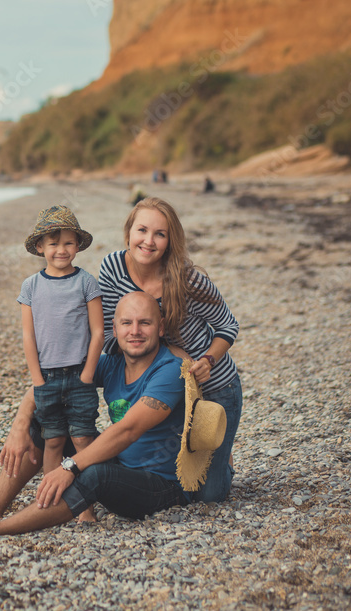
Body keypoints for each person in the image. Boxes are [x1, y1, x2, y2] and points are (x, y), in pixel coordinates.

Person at [0, 293, 189, 547]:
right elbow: (49, 386)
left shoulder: (171, 370)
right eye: (127, 323)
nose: (135, 331)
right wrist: (19, 427)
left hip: (161, 486)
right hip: (122, 464)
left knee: (96, 475)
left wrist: (69, 467)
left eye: (144, 323)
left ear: (160, 328)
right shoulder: (113, 364)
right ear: (114, 330)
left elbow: (128, 430)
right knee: (46, 417)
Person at [98, 197, 241, 503]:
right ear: (128, 233)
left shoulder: (189, 280)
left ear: (170, 241)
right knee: (169, 474)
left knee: (209, 495)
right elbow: (112, 336)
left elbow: (228, 327)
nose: (148, 241)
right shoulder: (112, 268)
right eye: (142, 230)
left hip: (211, 386)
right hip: (161, 382)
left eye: (160, 234)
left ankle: (223, 460)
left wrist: (208, 359)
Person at [19, 206, 104, 497]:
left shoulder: (86, 282)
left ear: (78, 245)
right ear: (40, 247)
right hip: (47, 378)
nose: (61, 250)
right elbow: (28, 335)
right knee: (53, 440)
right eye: (53, 244)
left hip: (80, 374)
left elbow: (98, 332)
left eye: (68, 242)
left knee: (82, 438)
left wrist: (88, 373)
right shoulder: (30, 286)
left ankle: (86, 503)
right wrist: (37, 380)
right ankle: (51, 499)